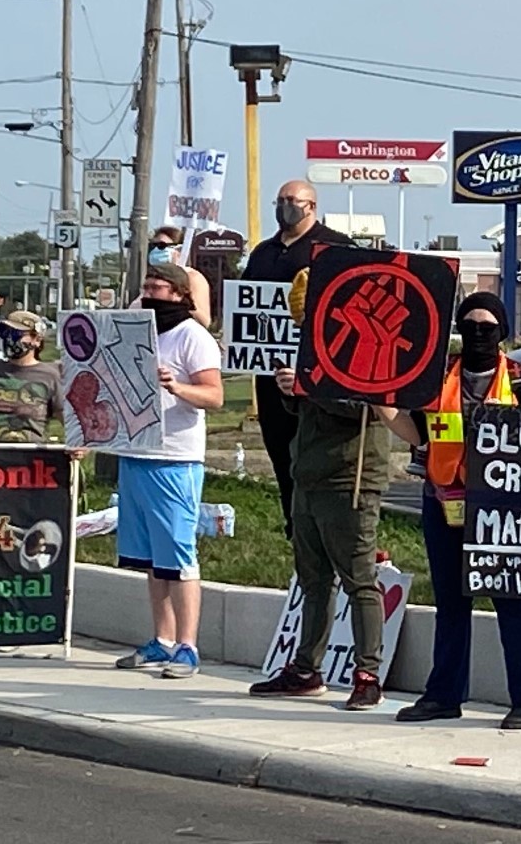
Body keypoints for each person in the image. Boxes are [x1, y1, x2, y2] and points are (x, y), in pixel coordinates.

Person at [395, 292, 521, 730]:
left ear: (502, 332)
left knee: (514, 599)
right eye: (470, 326)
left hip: (504, 512)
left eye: (488, 327)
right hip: (444, 502)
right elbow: (417, 432)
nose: (479, 334)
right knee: (451, 602)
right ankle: (444, 695)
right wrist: (381, 406)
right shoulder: (436, 376)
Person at [252, 276, 404, 712]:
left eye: (309, 320)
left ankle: (367, 673)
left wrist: (309, 387)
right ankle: (305, 668)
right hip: (310, 472)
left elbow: (369, 406)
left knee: (360, 579)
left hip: (351, 476)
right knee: (313, 579)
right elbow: (305, 407)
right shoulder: (312, 346)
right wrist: (290, 392)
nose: (305, 330)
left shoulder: (371, 346)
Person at [109, 264, 226, 679]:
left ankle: (188, 645)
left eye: (158, 288)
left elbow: (214, 396)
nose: (150, 294)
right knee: (150, 560)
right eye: (145, 288)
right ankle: (161, 639)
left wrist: (177, 387)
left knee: (178, 555)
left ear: (179, 294)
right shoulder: (137, 332)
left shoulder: (193, 337)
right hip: (135, 452)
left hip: (175, 458)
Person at [241, 180, 352, 535]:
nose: (285, 205)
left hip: (315, 373)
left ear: (312, 206)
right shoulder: (262, 252)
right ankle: (293, 525)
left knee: (312, 451)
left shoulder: (335, 246)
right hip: (269, 370)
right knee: (279, 449)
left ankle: (319, 528)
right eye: (281, 199)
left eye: (293, 200)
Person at [0, 310, 64, 444]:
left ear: (36, 340)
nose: (9, 339)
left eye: (16, 334)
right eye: (5, 333)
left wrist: (78, 446)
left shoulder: (50, 376)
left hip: (27, 461)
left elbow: (67, 419)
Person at [130, 226, 212, 329]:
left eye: (162, 246)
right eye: (153, 245)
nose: (156, 250)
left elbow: (204, 321)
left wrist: (174, 307)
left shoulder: (192, 277)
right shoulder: (152, 278)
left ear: (179, 249)